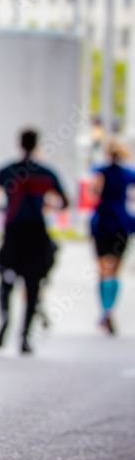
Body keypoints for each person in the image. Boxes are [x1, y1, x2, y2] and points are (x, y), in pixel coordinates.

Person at [0, 129, 69, 354]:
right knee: (33, 285)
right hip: (36, 234)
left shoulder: (8, 170)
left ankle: (5, 322)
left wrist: (1, 208)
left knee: (6, 282)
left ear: (19, 143)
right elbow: (65, 201)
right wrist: (47, 207)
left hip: (13, 234)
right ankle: (24, 337)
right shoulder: (46, 173)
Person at [89, 143, 135, 334]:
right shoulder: (128, 173)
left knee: (103, 269)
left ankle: (105, 310)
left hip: (103, 221)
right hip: (121, 222)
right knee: (116, 269)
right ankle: (110, 309)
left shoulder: (100, 171)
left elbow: (94, 192)